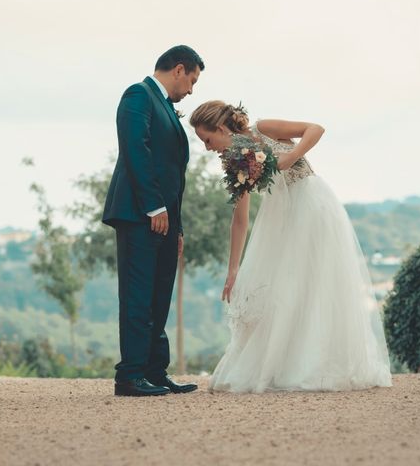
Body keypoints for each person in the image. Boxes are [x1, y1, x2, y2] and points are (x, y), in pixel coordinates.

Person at [189, 101, 393, 393]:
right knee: (283, 288)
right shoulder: (234, 163)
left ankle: (323, 364)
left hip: (313, 205)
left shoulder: (263, 129)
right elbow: (240, 219)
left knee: (317, 282)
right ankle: (288, 364)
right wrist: (233, 269)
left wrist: (292, 155)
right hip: (280, 217)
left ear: (221, 128)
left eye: (208, 140)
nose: (208, 148)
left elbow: (315, 128)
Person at [102, 45, 204, 396]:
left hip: (164, 219)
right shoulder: (138, 95)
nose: (191, 89)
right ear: (178, 69)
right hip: (139, 214)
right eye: (192, 80)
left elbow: (173, 172)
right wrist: (153, 207)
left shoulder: (166, 107)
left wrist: (177, 227)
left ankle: (155, 371)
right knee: (138, 295)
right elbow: (135, 148)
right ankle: (129, 375)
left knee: (160, 295)